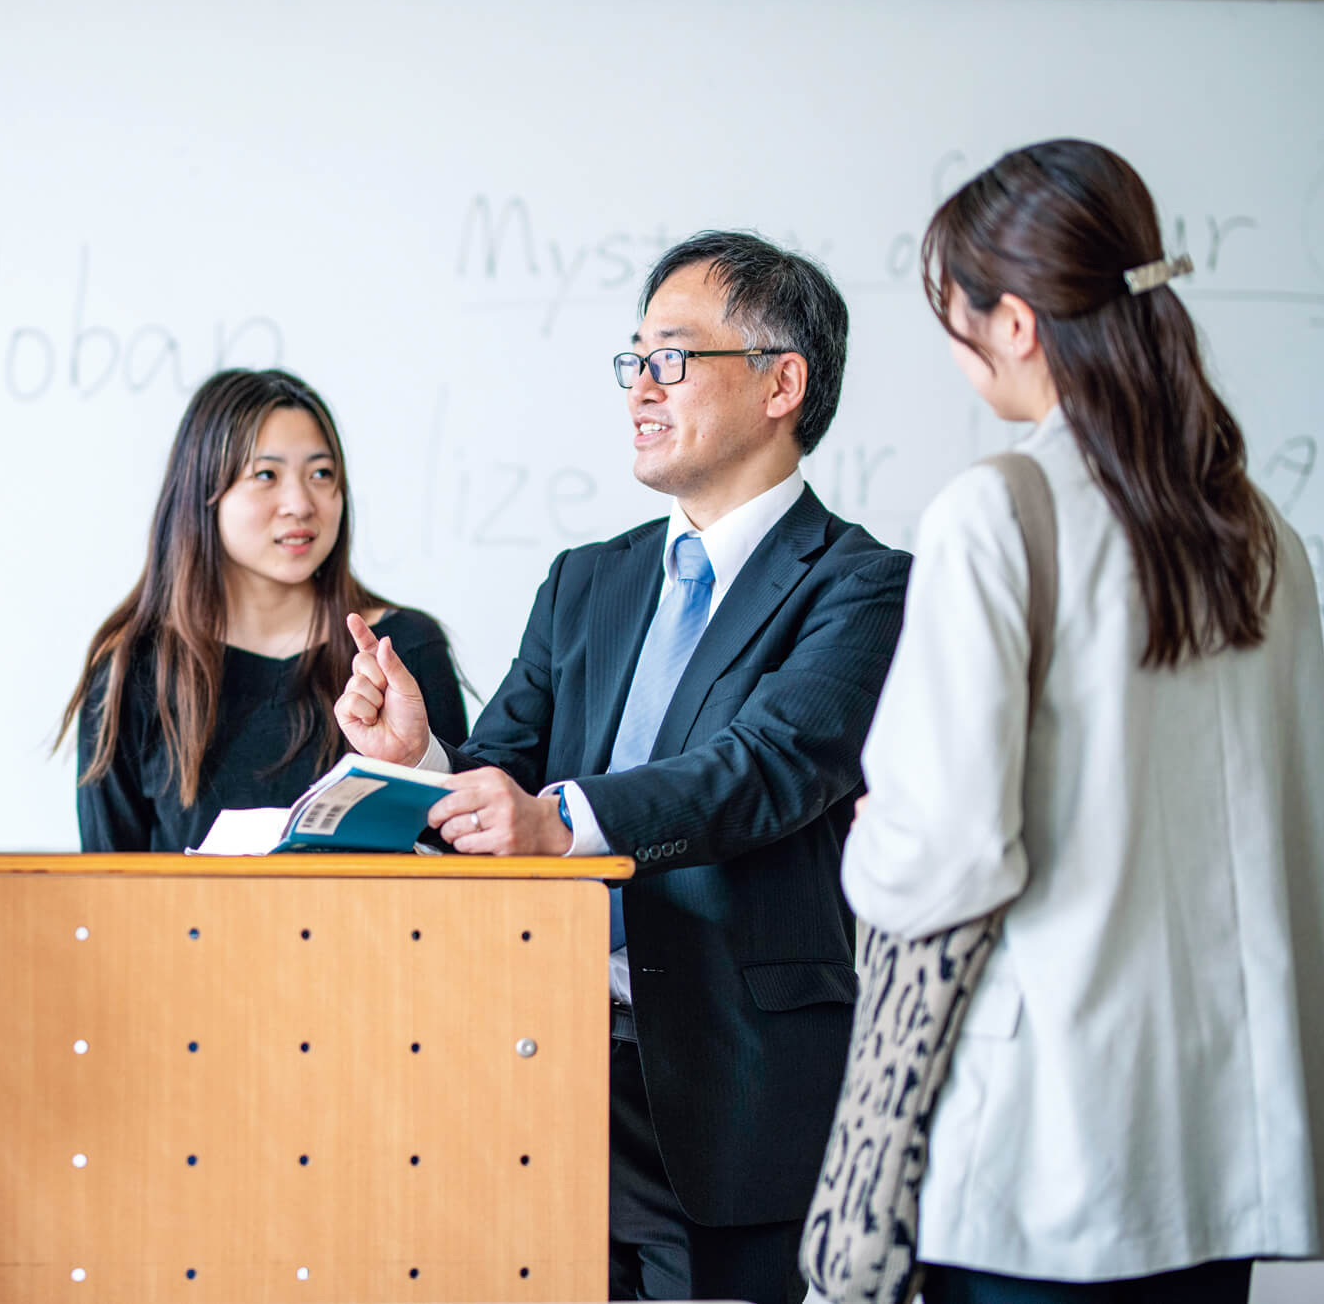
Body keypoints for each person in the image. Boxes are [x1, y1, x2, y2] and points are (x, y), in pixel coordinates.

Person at [337, 232, 910, 1304]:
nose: (640, 388)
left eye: (673, 358)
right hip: (534, 1061)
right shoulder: (585, 581)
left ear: (783, 382)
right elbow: (504, 768)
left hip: (738, 1085)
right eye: (633, 359)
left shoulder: (864, 585)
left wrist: (560, 823)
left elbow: (766, 768)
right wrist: (420, 757)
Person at [839, 139, 1324, 1304]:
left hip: (1048, 1139)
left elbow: (949, 852)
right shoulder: (1259, 531)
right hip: (1227, 1140)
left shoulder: (998, 511)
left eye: (956, 310)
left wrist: (878, 832)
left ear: (1015, 323)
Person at [64, 367, 467, 853]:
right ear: (203, 493)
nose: (299, 503)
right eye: (266, 475)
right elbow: (108, 884)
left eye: (321, 474)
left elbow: (456, 855)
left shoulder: (402, 650)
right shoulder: (134, 664)